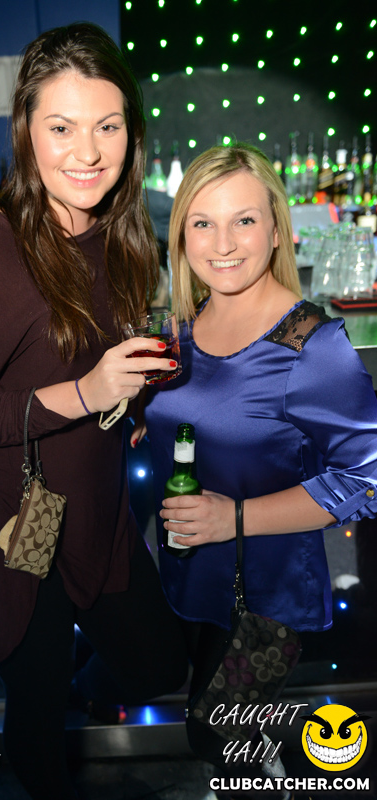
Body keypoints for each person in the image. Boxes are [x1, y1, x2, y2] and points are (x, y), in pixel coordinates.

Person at [0, 22, 188, 800]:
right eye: (62, 127)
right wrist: (87, 395)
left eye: (108, 126)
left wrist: (135, 396)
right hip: (14, 515)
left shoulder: (124, 236)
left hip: (92, 503)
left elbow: (87, 355)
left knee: (155, 663)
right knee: (36, 706)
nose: (88, 151)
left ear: (132, 132)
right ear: (26, 131)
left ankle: (67, 677)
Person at [138, 143, 377, 789]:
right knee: (217, 732)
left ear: (276, 229)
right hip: (189, 573)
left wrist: (235, 517)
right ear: (181, 234)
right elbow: (206, 415)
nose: (223, 244)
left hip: (266, 595)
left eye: (244, 220)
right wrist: (143, 417)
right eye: (203, 222)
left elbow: (368, 480)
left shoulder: (311, 344)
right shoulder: (183, 329)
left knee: (215, 733)